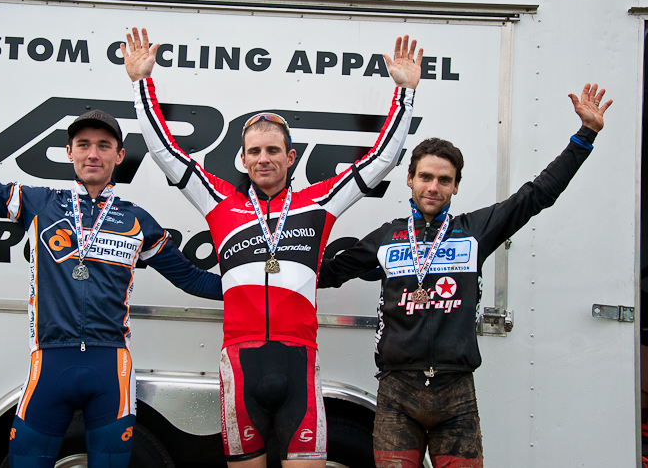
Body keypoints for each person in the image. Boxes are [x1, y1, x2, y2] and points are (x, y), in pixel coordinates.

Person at [0, 85, 222, 468]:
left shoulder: (137, 220)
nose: (92, 153)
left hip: (111, 369)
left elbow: (192, 280)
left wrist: (264, 288)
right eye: (83, 144)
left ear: (120, 155)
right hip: (49, 365)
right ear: (69, 152)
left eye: (102, 145)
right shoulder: (39, 204)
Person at [121, 27, 422, 467]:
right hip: (240, 366)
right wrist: (140, 83)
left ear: (290, 156)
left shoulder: (318, 202)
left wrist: (404, 94)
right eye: (255, 151)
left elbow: (380, 161)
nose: (264, 158)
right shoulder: (220, 201)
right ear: (243, 158)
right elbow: (166, 152)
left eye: (274, 150)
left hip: (298, 359)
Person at [317, 83, 612, 468]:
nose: (433, 187)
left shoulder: (476, 231)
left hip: (455, 393)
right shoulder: (387, 236)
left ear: (456, 185)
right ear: (410, 179)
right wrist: (257, 270)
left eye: (443, 179)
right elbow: (327, 272)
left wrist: (585, 135)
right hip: (396, 392)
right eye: (425, 177)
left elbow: (536, 194)